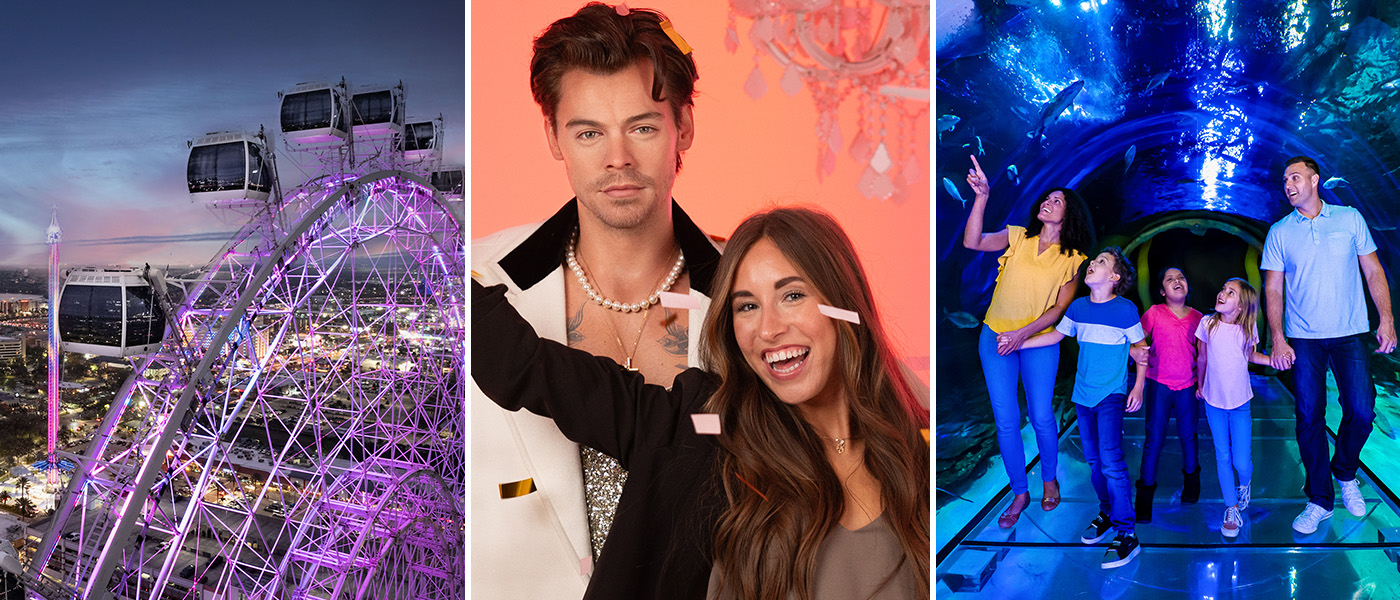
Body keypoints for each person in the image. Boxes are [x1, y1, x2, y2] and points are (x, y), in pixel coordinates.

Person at [473, 207, 931, 599]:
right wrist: (447, 258)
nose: (768, 329)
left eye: (792, 295)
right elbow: (522, 365)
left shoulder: (919, 442)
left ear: (842, 305)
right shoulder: (708, 431)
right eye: (746, 306)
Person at [469, 4, 723, 597]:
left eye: (642, 127)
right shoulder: (470, 287)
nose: (618, 159)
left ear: (683, 127)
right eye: (589, 132)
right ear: (554, 137)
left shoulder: (760, 293)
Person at [1261, 155, 1397, 535]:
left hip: (1350, 332)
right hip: (1304, 338)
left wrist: (1386, 318)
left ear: (1315, 180)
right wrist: (1277, 337)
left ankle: (1345, 472)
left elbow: (1373, 269)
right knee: (1308, 417)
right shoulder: (1279, 232)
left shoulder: (1350, 218)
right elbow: (1273, 287)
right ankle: (1319, 498)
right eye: (1285, 178)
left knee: (1363, 410)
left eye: (1296, 177)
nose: (1288, 184)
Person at [962, 155, 1094, 528]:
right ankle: (1020, 492)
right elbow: (973, 241)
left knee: (1040, 416)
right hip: (995, 338)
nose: (1048, 201)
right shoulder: (1018, 236)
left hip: (1035, 342)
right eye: (1047, 198)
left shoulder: (1074, 260)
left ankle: (1049, 478)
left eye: (1058, 200)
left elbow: (1057, 312)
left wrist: (1021, 336)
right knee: (1005, 421)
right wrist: (982, 197)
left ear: (1069, 215)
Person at [1021, 247, 1145, 569]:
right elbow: (1053, 338)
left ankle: (1126, 533)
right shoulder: (1077, 307)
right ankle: (1106, 512)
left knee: (1112, 462)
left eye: (1101, 262)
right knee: (1093, 461)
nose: (1092, 264)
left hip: (1110, 396)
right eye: (1094, 261)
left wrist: (1139, 385)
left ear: (1114, 277)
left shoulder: (1126, 310)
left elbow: (1141, 351)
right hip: (1083, 396)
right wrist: (1018, 342)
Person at [1196, 278, 1276, 537]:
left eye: (1231, 292)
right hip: (1213, 401)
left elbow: (1251, 356)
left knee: (1242, 460)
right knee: (1222, 455)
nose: (1223, 292)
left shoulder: (1247, 328)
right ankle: (1230, 508)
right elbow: (1202, 357)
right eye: (1223, 288)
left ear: (1241, 307)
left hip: (1240, 402)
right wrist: (1200, 385)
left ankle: (1245, 484)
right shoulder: (1207, 324)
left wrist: (1274, 361)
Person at [1135, 267, 1203, 522]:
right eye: (1170, 279)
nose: (1177, 281)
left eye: (1182, 277)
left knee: (1189, 437)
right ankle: (1144, 499)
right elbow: (1138, 340)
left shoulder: (1198, 318)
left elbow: (1204, 355)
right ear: (1163, 291)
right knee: (1154, 439)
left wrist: (1203, 384)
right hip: (1158, 385)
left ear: (1187, 287)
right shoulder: (1154, 313)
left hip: (1188, 386)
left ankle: (1192, 486)